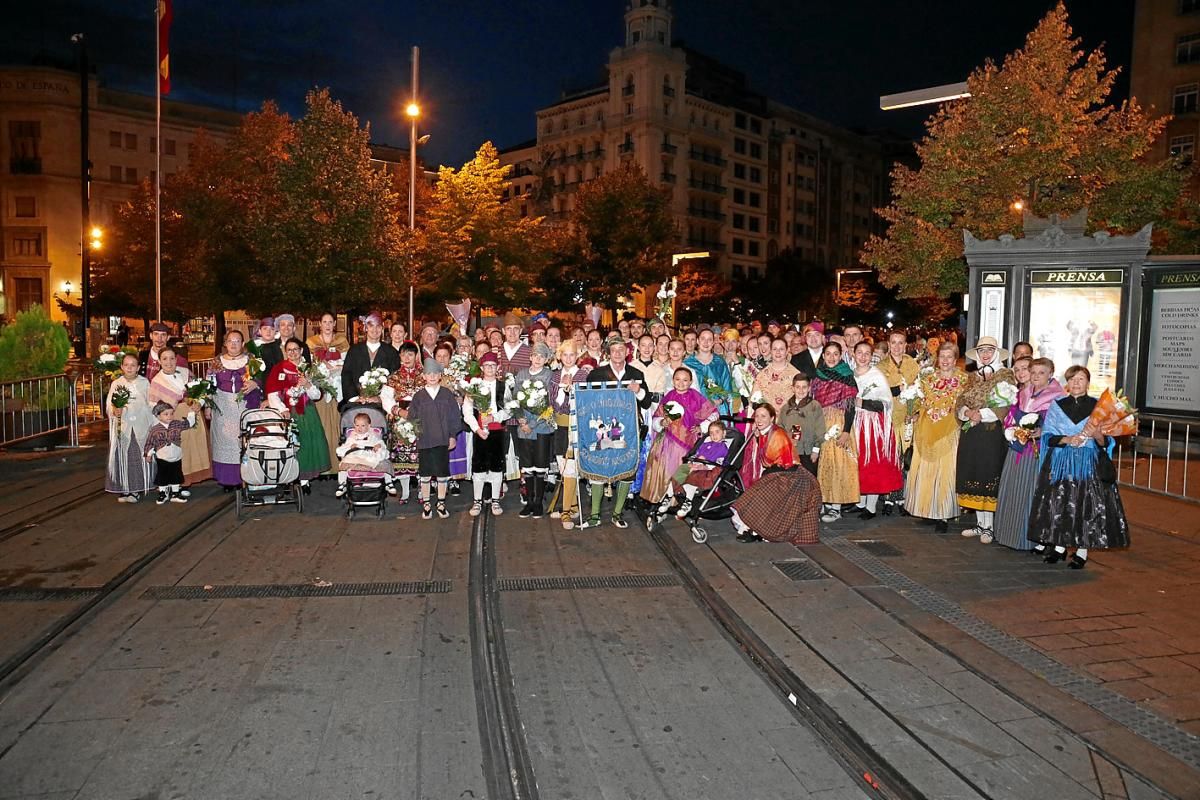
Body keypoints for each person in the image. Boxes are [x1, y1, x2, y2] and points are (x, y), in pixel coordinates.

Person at [1028, 365, 1130, 569]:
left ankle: (1082, 550)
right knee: (1060, 504)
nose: (1076, 383)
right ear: (1067, 383)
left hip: (1087, 464)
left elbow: (1106, 443)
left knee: (1084, 505)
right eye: (1072, 379)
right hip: (1061, 463)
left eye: (1081, 379)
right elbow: (1048, 436)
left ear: (1088, 383)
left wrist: (1098, 435)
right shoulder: (1057, 406)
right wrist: (1067, 439)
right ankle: (1059, 546)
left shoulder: (1098, 407)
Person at [991, 357, 1064, 549]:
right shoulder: (1023, 393)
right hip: (1017, 446)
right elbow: (1010, 414)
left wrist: (1042, 430)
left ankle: (1027, 539)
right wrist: (1012, 427)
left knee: (1029, 491)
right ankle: (1007, 534)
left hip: (1036, 451)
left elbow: (1059, 425)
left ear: (1050, 374)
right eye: (1033, 372)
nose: (1036, 376)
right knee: (1012, 488)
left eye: (1041, 373)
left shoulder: (1057, 396)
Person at [580, 336, 651, 529]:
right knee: (598, 468)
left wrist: (639, 391)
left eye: (622, 349)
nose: (618, 353)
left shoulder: (636, 373)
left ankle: (617, 513)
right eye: (614, 350)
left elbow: (646, 403)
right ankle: (594, 515)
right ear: (608, 353)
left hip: (628, 429)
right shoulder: (596, 374)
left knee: (626, 468)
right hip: (603, 430)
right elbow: (586, 401)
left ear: (627, 352)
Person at [955, 337, 1017, 540]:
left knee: (988, 474)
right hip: (972, 432)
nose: (985, 354)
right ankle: (980, 524)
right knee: (974, 473)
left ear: (996, 353)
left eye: (989, 350)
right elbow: (961, 400)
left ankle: (989, 526)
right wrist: (966, 412)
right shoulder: (972, 377)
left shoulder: (1005, 376)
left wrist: (982, 414)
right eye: (982, 351)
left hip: (991, 432)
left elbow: (1006, 403)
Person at [904, 342, 968, 531]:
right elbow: (920, 401)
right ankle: (928, 510)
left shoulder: (964, 380)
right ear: (937, 358)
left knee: (946, 473)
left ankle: (944, 515)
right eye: (942, 357)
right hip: (927, 427)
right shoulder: (927, 378)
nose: (946, 361)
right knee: (927, 472)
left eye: (950, 357)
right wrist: (914, 412)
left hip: (949, 430)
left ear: (956, 358)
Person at [639, 367, 718, 507]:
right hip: (667, 441)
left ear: (690, 382)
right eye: (677, 379)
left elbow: (713, 413)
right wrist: (662, 422)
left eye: (685, 380)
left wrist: (702, 427)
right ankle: (662, 498)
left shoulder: (696, 396)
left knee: (681, 469)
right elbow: (657, 416)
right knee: (663, 468)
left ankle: (677, 499)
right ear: (673, 380)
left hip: (688, 441)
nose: (681, 383)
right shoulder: (669, 396)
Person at [265, 337, 329, 490]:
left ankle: (304, 480)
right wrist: (283, 410)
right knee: (290, 445)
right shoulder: (279, 368)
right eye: (289, 350)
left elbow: (316, 395)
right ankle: (289, 476)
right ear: (285, 352)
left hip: (307, 411)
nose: (293, 352)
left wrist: (307, 384)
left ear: (301, 350)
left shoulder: (310, 369)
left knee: (307, 444)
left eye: (296, 349)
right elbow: (272, 394)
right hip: (288, 413)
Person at [731, 403, 799, 542]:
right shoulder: (765, 432)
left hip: (787, 475)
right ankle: (754, 529)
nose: (759, 420)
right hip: (776, 473)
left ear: (772, 418)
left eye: (763, 416)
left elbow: (784, 463)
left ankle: (755, 531)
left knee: (758, 498)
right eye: (756, 416)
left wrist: (766, 480)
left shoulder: (777, 434)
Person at [850, 341, 902, 519]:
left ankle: (870, 507)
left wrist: (863, 403)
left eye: (867, 353)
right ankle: (860, 502)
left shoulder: (876, 375)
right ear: (853, 354)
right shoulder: (850, 374)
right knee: (858, 463)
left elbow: (885, 403)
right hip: (855, 423)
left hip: (872, 424)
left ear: (871, 356)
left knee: (872, 463)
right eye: (859, 352)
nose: (863, 357)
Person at [147, 346, 211, 487]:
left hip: (193, 413)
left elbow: (200, 391)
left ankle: (190, 480)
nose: (169, 362)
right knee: (180, 449)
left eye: (172, 358)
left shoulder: (185, 372)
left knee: (194, 446)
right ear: (159, 361)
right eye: (165, 359)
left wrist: (199, 403)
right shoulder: (157, 381)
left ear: (176, 359)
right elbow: (154, 407)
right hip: (173, 417)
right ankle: (179, 483)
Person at [408, 359, 464, 519]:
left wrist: (452, 436)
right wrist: (416, 433)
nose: (432, 376)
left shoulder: (446, 394)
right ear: (424, 376)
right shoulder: (419, 396)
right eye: (429, 374)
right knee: (425, 474)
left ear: (440, 375)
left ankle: (441, 502)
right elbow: (412, 417)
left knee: (441, 473)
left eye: (435, 373)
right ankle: (426, 503)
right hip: (425, 441)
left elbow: (455, 417)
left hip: (442, 440)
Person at [811, 343, 859, 522]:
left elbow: (851, 406)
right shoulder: (817, 375)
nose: (831, 358)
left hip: (838, 423)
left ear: (841, 356)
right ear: (823, 355)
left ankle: (836, 507)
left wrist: (846, 431)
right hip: (820, 421)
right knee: (823, 462)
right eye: (828, 354)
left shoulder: (846, 376)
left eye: (835, 354)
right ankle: (823, 501)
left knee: (839, 463)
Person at [209, 330, 262, 489]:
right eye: (230, 341)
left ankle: (245, 476)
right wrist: (207, 406)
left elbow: (261, 378)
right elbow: (209, 384)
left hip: (244, 405)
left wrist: (256, 383)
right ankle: (227, 480)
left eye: (237, 341)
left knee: (243, 441)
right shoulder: (216, 362)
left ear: (243, 344)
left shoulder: (251, 360)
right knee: (224, 442)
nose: (233, 344)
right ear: (225, 343)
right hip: (222, 406)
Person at [547, 340, 592, 528]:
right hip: (560, 427)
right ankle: (573, 507)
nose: (568, 358)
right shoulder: (555, 376)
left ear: (577, 356)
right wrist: (562, 391)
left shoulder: (584, 375)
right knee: (564, 467)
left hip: (577, 427)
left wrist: (571, 390)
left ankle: (566, 512)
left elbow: (586, 401)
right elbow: (554, 404)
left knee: (571, 470)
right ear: (560, 356)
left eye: (572, 355)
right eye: (564, 355)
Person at [510, 342, 558, 518]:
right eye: (535, 355)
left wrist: (533, 424)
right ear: (530, 357)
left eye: (541, 356)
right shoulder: (522, 374)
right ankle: (528, 501)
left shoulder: (549, 375)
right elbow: (515, 399)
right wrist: (522, 420)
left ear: (546, 360)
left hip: (541, 427)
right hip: (523, 427)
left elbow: (550, 404)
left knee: (540, 465)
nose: (537, 359)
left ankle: (538, 502)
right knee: (527, 466)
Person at [877, 330, 920, 513]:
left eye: (900, 343)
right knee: (890, 458)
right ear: (888, 344)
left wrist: (916, 411)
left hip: (907, 418)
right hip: (889, 417)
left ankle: (903, 498)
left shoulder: (913, 365)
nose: (896, 346)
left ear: (906, 345)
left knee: (905, 458)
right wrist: (897, 389)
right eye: (893, 343)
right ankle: (888, 498)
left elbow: (920, 390)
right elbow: (878, 392)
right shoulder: (880, 366)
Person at [463, 352, 510, 517]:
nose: (490, 368)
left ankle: (495, 499)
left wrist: (495, 417)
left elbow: (509, 410)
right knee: (479, 466)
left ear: (497, 368)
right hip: (480, 432)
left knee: (497, 466)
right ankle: (477, 500)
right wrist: (477, 428)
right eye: (486, 365)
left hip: (497, 431)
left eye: (493, 365)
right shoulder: (473, 387)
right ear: (481, 368)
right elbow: (467, 411)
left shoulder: (503, 387)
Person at [106, 354, 154, 502]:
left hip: (140, 425)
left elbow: (150, 402)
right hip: (124, 426)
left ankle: (136, 489)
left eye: (133, 365)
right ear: (121, 367)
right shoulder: (116, 383)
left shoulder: (144, 383)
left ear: (138, 368)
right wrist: (115, 410)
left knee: (137, 457)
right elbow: (109, 404)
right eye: (126, 365)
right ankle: (125, 488)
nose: (129, 368)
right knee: (123, 457)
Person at [380, 341, 423, 503]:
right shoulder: (393, 377)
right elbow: (385, 398)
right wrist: (398, 411)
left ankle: (421, 491)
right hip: (399, 419)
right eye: (403, 354)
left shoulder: (425, 375)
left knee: (421, 457)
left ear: (416, 356)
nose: (406, 358)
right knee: (401, 459)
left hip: (419, 418)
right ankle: (405, 492)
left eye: (410, 354)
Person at [306, 312, 349, 472]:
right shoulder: (311, 342)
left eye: (331, 322)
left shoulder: (342, 341)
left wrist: (336, 369)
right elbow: (308, 364)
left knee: (337, 424)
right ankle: (322, 465)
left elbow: (347, 362)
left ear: (334, 324)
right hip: (319, 387)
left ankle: (338, 466)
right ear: (320, 324)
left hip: (337, 386)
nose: (328, 325)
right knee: (321, 425)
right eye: (325, 322)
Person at [672, 419, 729, 518]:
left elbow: (717, 463)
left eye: (717, 432)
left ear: (723, 433)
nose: (714, 435)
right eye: (711, 433)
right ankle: (671, 495)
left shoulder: (722, 447)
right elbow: (697, 454)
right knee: (681, 469)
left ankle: (687, 502)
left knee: (692, 477)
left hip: (709, 469)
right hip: (697, 465)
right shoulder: (706, 444)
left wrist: (703, 464)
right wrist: (692, 462)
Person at [143, 401, 196, 504]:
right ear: (158, 416)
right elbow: (150, 442)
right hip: (162, 457)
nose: (169, 416)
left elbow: (188, 423)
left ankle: (175, 493)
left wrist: (191, 412)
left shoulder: (176, 424)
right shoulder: (155, 429)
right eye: (166, 414)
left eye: (171, 413)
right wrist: (148, 454)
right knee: (163, 475)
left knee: (176, 475)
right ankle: (163, 493)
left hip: (176, 455)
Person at [341, 313, 400, 407]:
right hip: (357, 402)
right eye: (371, 326)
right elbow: (346, 375)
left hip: (382, 404)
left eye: (378, 326)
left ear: (382, 328)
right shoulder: (354, 351)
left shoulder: (391, 352)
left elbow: (395, 378)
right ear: (366, 328)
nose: (374, 330)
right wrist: (355, 398)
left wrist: (381, 398)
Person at [334, 411, 396, 498]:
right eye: (357, 425)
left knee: (384, 461)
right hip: (356, 456)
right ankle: (342, 484)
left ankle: (388, 482)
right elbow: (345, 446)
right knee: (343, 463)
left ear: (369, 426)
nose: (359, 428)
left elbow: (380, 442)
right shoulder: (352, 436)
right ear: (354, 425)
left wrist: (378, 445)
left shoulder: (373, 435)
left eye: (363, 425)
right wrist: (351, 446)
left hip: (369, 456)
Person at [777, 374, 826, 474]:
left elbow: (820, 429)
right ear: (793, 388)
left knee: (808, 480)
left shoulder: (814, 406)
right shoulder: (786, 408)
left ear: (809, 388)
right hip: (790, 452)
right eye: (798, 387)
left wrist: (816, 450)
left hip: (808, 452)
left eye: (804, 387)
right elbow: (780, 429)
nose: (801, 390)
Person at [686, 328, 734, 414]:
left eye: (709, 339)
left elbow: (727, 388)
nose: (706, 342)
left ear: (713, 343)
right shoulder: (688, 363)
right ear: (698, 341)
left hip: (718, 408)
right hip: (695, 409)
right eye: (703, 339)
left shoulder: (719, 362)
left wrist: (719, 401)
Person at [752, 338, 800, 411]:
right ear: (771, 351)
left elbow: (801, 399)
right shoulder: (762, 375)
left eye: (781, 349)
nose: (778, 352)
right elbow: (755, 399)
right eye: (774, 349)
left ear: (787, 351)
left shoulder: (796, 374)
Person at [498, 313, 531, 378]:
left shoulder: (530, 352)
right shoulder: (496, 351)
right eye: (508, 329)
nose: (512, 332)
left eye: (515, 329)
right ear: (503, 331)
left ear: (520, 331)